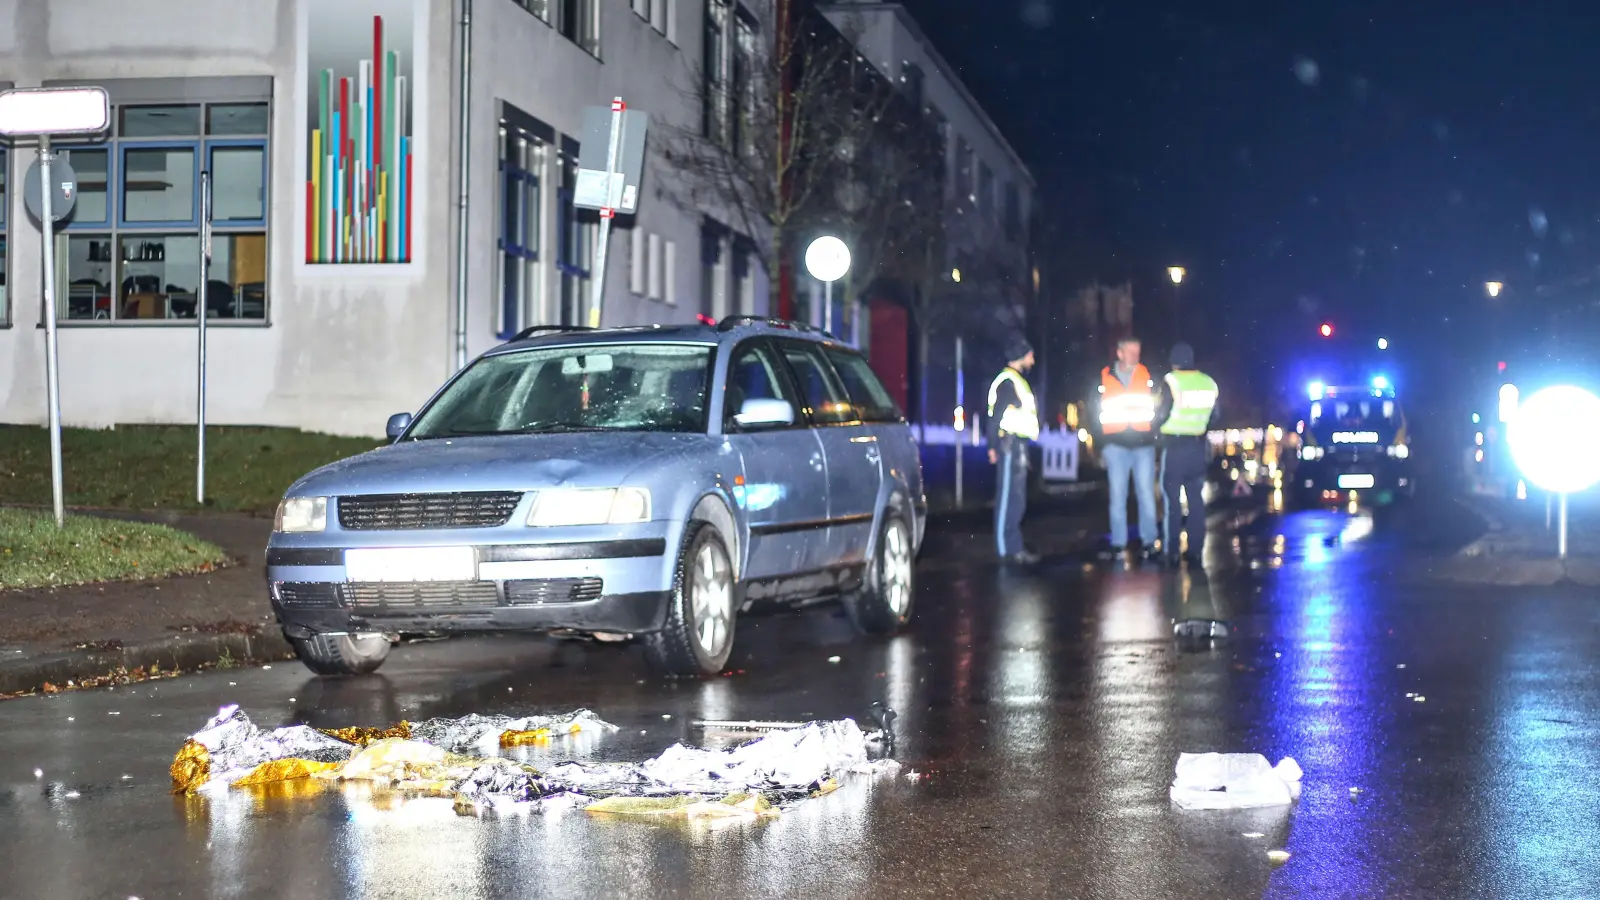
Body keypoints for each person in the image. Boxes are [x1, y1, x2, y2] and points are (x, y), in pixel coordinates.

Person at [1156, 342, 1220, 565]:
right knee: (1196, 501)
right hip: (1198, 449)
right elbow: (1216, 415)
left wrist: (1156, 432)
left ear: (1174, 361)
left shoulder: (1171, 381)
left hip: (1174, 448)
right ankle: (1195, 550)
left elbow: (1162, 413)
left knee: (1172, 501)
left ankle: (1171, 550)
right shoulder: (1208, 383)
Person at [1097, 337, 1159, 560]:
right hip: (1115, 446)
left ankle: (1149, 542)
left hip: (1143, 446)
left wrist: (1155, 436)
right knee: (1118, 496)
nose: (1135, 356)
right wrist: (1101, 445)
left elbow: (1159, 408)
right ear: (1119, 353)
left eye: (1138, 351)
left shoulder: (1148, 376)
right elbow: (1094, 414)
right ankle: (1118, 543)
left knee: (1146, 495)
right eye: (1131, 351)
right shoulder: (1104, 377)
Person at [986, 336, 1041, 564]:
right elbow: (996, 416)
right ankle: (1004, 549)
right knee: (1008, 497)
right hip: (1009, 445)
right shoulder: (1008, 382)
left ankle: (1013, 546)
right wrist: (992, 446)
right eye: (1030, 355)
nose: (1033, 360)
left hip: (1017, 445)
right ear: (1021, 355)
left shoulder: (1015, 380)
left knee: (1016, 498)